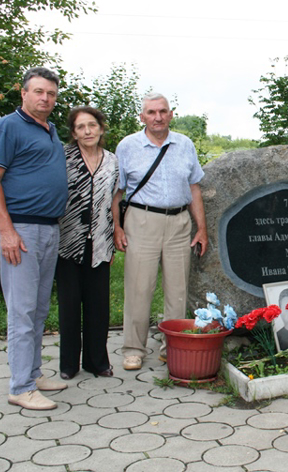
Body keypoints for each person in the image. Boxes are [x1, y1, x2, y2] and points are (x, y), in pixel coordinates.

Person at [0, 67, 69, 410]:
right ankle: (19, 386)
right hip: (21, 230)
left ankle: (32, 374)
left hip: (49, 228)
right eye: (38, 91)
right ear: (24, 93)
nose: (45, 98)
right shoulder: (8, 126)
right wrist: (6, 231)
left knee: (39, 309)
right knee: (21, 311)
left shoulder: (50, 130)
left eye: (50, 93)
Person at [112, 93, 208, 371]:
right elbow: (117, 192)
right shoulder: (128, 146)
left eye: (163, 111)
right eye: (151, 112)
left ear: (171, 114)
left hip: (179, 222)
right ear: (142, 116)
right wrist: (117, 227)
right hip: (142, 220)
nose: (157, 117)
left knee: (178, 290)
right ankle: (133, 348)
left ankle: (173, 346)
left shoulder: (184, 144)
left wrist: (201, 228)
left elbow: (194, 188)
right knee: (139, 287)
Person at [56, 107, 119, 380]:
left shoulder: (112, 161)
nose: (87, 131)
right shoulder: (63, 157)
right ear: (73, 133)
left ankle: (97, 362)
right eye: (81, 127)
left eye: (92, 125)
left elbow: (115, 198)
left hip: (101, 242)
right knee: (70, 307)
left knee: (98, 306)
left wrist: (116, 232)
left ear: (101, 128)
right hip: (67, 242)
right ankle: (69, 365)